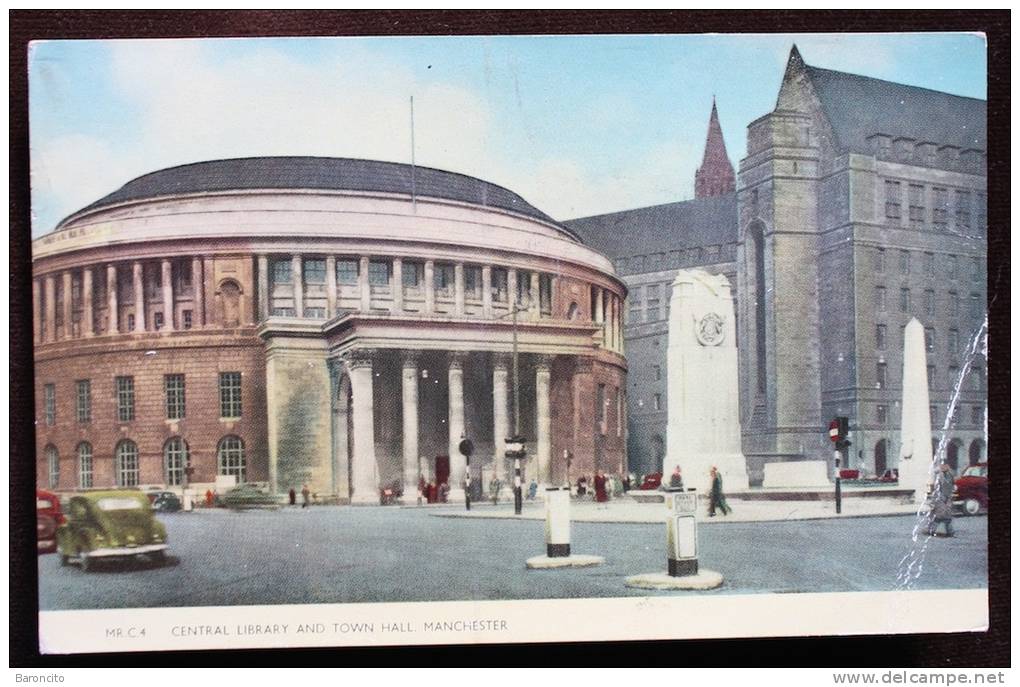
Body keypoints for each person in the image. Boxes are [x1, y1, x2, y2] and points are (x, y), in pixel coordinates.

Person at [928, 463, 956, 537]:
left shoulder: (950, 475)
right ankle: (932, 530)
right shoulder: (938, 476)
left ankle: (950, 532)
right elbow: (935, 488)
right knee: (939, 516)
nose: (945, 467)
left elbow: (952, 485)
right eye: (943, 466)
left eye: (946, 466)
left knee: (947, 516)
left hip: (947, 497)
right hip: (940, 498)